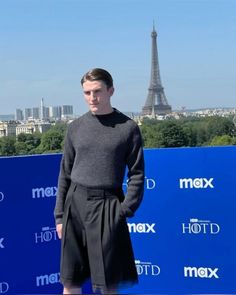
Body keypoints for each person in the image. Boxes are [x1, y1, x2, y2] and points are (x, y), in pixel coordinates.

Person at [54, 68, 144, 294]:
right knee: (70, 280)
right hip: (74, 205)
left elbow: (137, 173)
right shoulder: (75, 127)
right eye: (86, 93)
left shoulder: (128, 128)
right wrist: (59, 216)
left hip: (107, 206)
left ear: (111, 91)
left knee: (107, 283)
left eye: (97, 91)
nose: (92, 98)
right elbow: (65, 173)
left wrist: (123, 211)